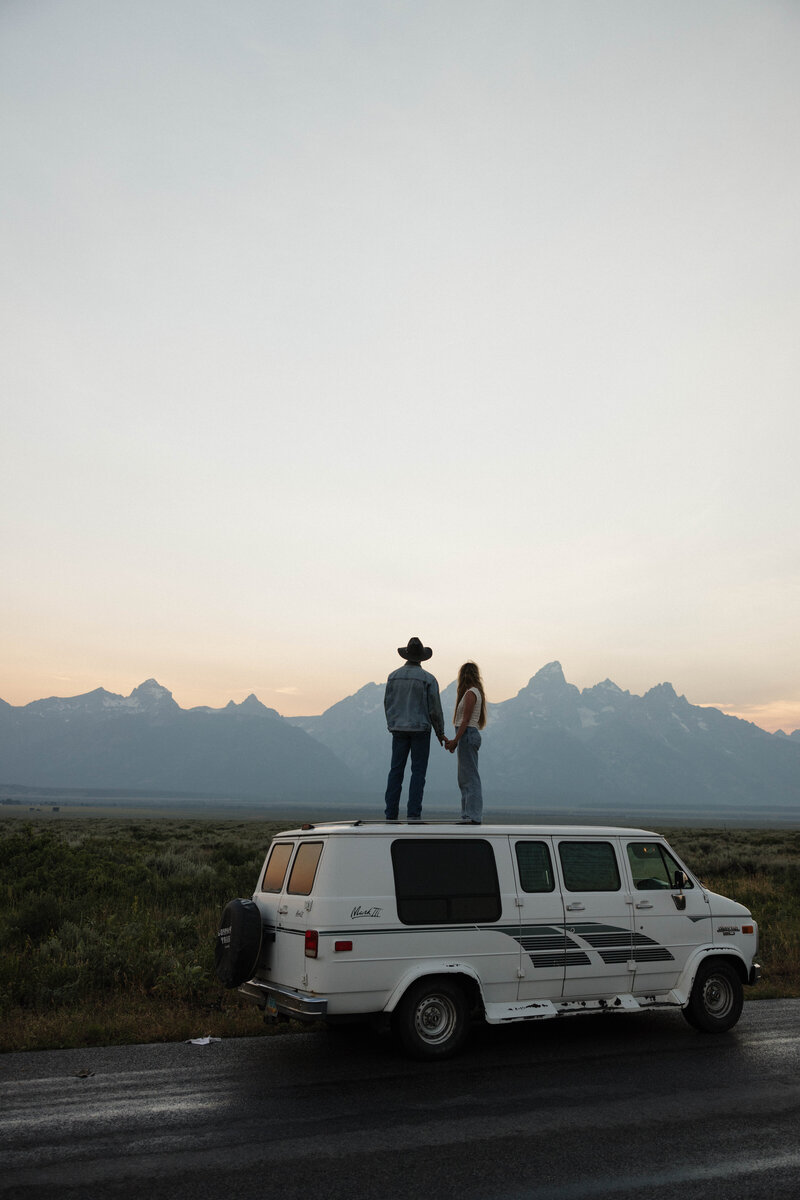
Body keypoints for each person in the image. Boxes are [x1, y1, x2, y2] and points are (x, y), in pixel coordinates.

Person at [383, 636, 445, 823]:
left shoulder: (393, 677)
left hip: (398, 729)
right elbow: (434, 709)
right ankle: (413, 814)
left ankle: (390, 814)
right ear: (422, 657)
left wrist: (392, 724)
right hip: (420, 729)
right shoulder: (428, 679)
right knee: (418, 772)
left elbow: (388, 703)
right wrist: (440, 732)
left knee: (396, 771)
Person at [445, 662, 487, 824]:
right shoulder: (474, 692)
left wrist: (456, 740)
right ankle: (467, 814)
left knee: (470, 777)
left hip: (467, 734)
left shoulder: (471, 693)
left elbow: (466, 719)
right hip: (467, 734)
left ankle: (473, 815)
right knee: (465, 777)